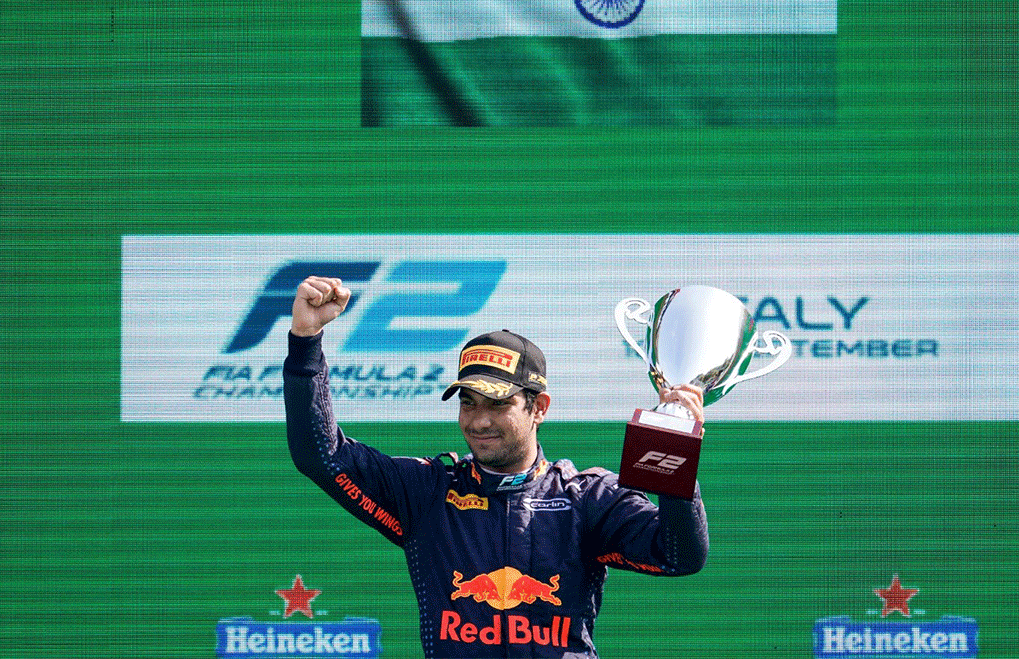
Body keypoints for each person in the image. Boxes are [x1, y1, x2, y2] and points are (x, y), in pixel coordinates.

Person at [283, 276, 709, 658]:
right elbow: (321, 456)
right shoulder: (429, 491)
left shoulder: (586, 497)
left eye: (498, 404)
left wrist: (676, 450)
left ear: (539, 407)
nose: (478, 420)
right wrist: (306, 341)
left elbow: (678, 555)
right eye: (468, 402)